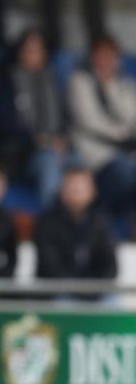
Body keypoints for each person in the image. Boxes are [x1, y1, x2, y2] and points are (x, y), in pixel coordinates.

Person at [0, 28, 69, 208]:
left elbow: (65, 118)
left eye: (38, 50)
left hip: (58, 147)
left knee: (80, 163)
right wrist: (40, 141)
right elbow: (6, 123)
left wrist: (62, 139)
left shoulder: (53, 79)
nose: (33, 55)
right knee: (49, 163)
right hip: (22, 152)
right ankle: (52, 221)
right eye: (29, 50)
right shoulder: (8, 80)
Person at [67, 33, 136, 234]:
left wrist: (110, 86)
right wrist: (122, 132)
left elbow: (131, 116)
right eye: (102, 55)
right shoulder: (80, 81)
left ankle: (125, 227)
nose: (106, 60)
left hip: (125, 152)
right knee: (123, 173)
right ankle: (103, 227)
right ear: (92, 56)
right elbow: (89, 121)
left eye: (111, 56)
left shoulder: (123, 84)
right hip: (93, 152)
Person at [35, 166, 117, 280]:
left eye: (82, 186)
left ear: (92, 191)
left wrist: (91, 291)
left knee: (113, 298)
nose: (77, 190)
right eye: (72, 185)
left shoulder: (101, 222)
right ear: (62, 190)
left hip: (95, 292)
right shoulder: (47, 222)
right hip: (58, 291)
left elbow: (110, 267)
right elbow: (50, 268)